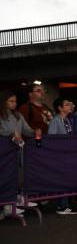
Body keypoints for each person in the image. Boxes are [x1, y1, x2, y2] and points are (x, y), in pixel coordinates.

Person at [0, 91, 35, 219]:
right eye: (11, 101)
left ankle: (18, 200)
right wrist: (10, 133)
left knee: (19, 174)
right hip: (4, 152)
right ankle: (7, 206)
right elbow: (3, 131)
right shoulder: (1, 115)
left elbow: (27, 130)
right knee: (6, 176)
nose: (14, 104)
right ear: (4, 102)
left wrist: (35, 131)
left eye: (15, 101)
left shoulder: (18, 115)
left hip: (17, 150)